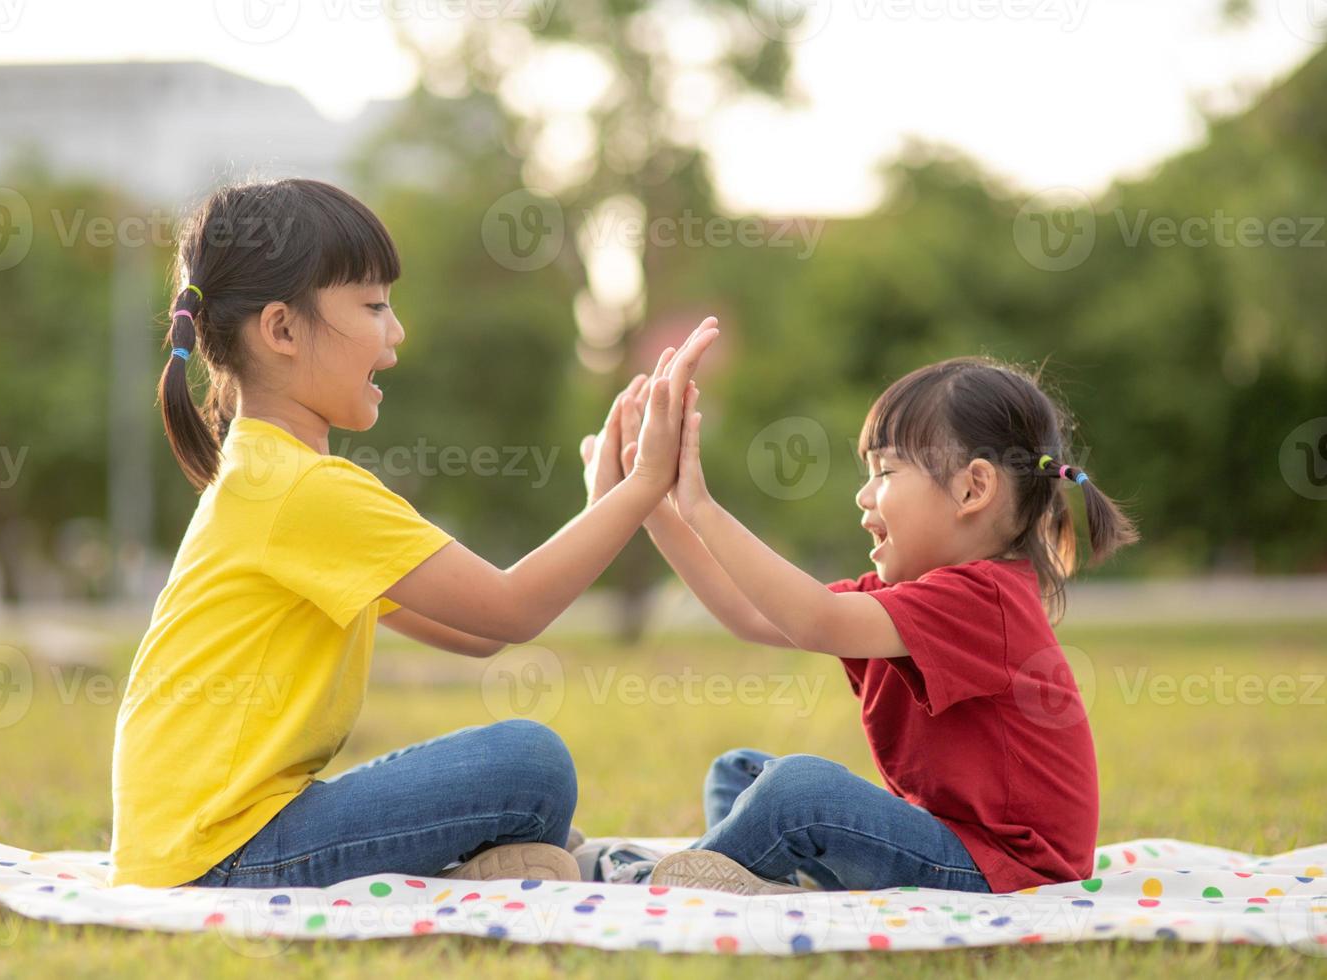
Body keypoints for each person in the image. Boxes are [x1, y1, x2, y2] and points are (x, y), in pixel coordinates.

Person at [107, 178, 718, 889]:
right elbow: (512, 610)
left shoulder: (268, 475)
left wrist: (599, 506)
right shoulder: (303, 490)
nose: (395, 335)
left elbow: (481, 631)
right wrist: (645, 483)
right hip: (221, 855)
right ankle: (525, 859)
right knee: (529, 764)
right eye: (372, 306)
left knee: (518, 770)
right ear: (281, 329)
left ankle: (506, 860)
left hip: (200, 843)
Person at [581, 352, 1138, 895]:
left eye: (885, 471)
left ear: (973, 488)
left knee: (799, 791)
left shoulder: (982, 600)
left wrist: (698, 504)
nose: (863, 494)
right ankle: (753, 879)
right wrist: (651, 502)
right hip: (951, 846)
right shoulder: (916, 598)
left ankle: (658, 884)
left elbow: (813, 621)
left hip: (1010, 869)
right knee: (742, 773)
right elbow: (751, 611)